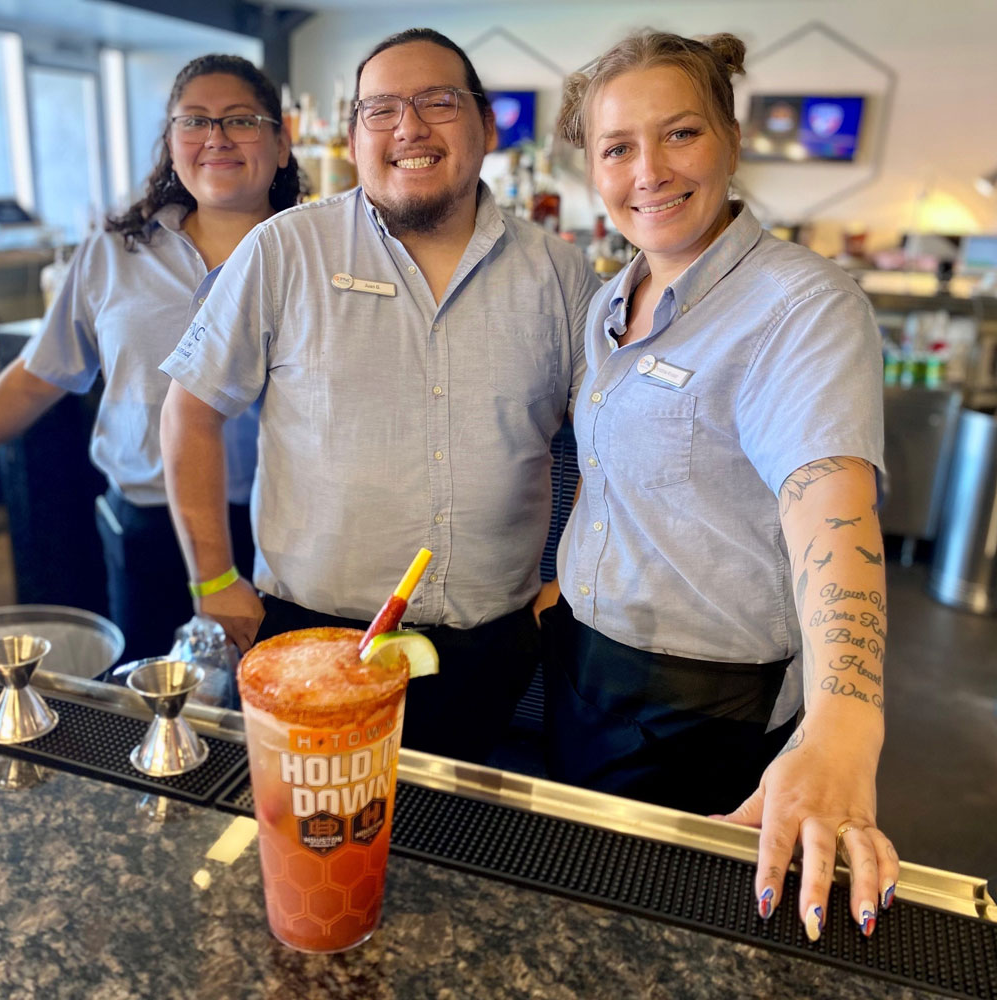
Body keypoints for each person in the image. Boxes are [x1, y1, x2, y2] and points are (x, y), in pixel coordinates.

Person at [159, 29, 600, 763]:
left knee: (457, 853)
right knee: (316, 849)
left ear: (487, 125)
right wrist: (212, 577)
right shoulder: (285, 249)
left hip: (487, 645)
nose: (409, 128)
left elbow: (611, 439)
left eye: (437, 102)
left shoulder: (558, 273)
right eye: (381, 109)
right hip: (311, 635)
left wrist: (567, 585)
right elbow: (191, 409)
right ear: (354, 133)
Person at [546, 29, 897, 942]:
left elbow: (831, 504)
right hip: (584, 663)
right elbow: (614, 469)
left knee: (655, 936)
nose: (648, 171)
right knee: (577, 906)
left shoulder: (801, 307)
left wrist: (844, 724)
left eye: (681, 135)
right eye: (618, 148)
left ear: (732, 141)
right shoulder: (610, 300)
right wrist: (571, 574)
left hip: (701, 712)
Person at [0, 54, 304, 662]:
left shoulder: (318, 257)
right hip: (147, 530)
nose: (215, 137)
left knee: (280, 722)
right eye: (194, 121)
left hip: (290, 536)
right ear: (170, 144)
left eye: (241, 119)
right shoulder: (113, 255)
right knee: (154, 720)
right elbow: (38, 377)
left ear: (282, 142)